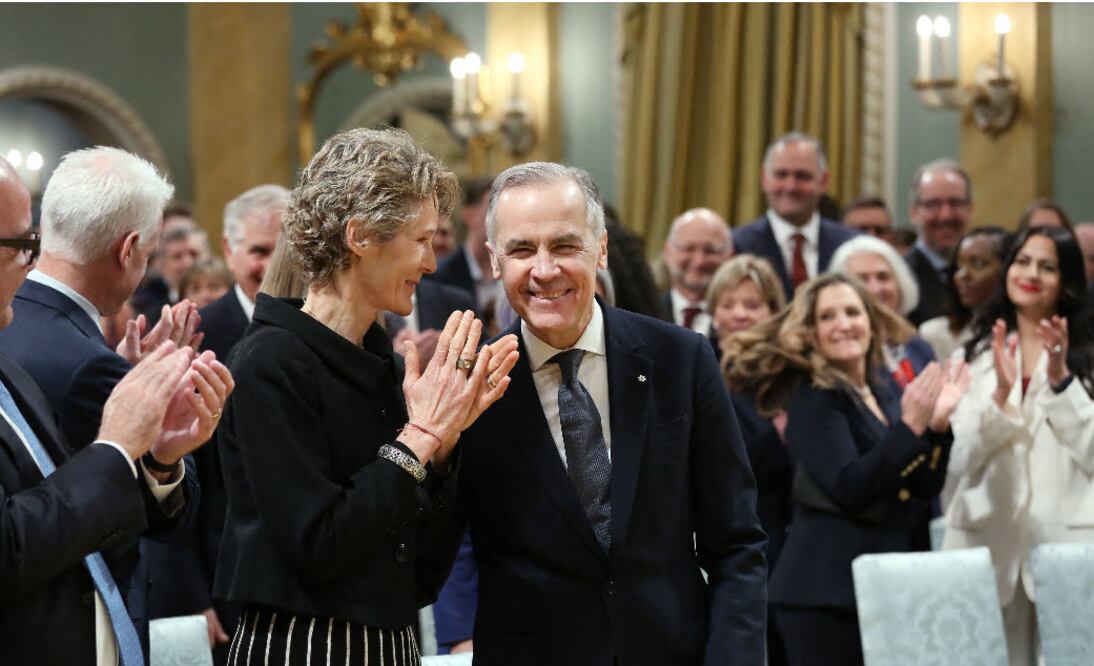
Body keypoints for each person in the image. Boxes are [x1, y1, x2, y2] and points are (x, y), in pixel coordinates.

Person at [216, 128, 519, 665]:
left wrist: (445, 445)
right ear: (359, 236)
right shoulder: (269, 361)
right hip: (300, 647)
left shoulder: (391, 371)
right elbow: (318, 545)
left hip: (392, 642)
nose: (431, 263)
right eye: (421, 240)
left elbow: (421, 567)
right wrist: (422, 436)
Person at [446, 162, 767, 664]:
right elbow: (436, 557)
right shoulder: (471, 387)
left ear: (601, 249)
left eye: (565, 246)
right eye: (522, 250)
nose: (544, 270)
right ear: (494, 260)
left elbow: (736, 544)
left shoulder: (681, 360)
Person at [0, 156, 233, 665]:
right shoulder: (85, 362)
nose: (29, 261)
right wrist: (119, 446)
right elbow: (15, 545)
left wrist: (158, 457)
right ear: (129, 250)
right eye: (21, 245)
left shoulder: (11, 353)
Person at [726, 273, 968, 666]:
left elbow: (919, 490)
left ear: (872, 323)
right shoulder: (815, 396)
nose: (843, 324)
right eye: (827, 316)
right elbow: (849, 485)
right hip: (825, 595)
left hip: (877, 582)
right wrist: (910, 427)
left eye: (853, 312)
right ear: (811, 333)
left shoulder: (882, 393)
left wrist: (937, 428)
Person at [943, 226, 1094, 666]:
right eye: (1022, 262)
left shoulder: (1088, 358)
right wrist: (998, 397)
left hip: (1066, 542)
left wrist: (1062, 384)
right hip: (986, 539)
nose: (1030, 274)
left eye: (1046, 267)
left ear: (1066, 281)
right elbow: (960, 457)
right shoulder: (972, 355)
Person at [706, 254, 791, 666]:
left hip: (786, 534)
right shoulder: (697, 367)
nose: (739, 314)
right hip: (723, 538)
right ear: (713, 313)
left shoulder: (790, 374)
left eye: (753, 304)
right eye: (728, 304)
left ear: (774, 311)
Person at [733, 132, 858, 300]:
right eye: (781, 175)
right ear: (764, 178)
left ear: (823, 181)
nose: (791, 186)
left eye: (802, 176)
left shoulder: (851, 246)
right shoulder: (737, 246)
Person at [829, 235, 936, 386]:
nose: (875, 289)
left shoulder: (918, 346)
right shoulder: (846, 354)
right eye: (862, 279)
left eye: (883, 277)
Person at [198, 184, 288, 361]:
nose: (273, 267)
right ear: (229, 251)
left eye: (285, 253)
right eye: (260, 251)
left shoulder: (325, 324)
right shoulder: (200, 333)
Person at [918, 227, 1012, 361]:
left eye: (978, 265)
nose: (961, 275)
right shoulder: (934, 334)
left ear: (1008, 269)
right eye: (958, 267)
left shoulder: (1026, 333)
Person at [905, 159, 973, 326]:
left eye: (955, 203)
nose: (946, 216)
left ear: (970, 209)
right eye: (933, 205)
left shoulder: (990, 276)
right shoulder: (901, 277)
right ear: (914, 212)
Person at [427, 176, 497, 312]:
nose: (501, 219)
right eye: (493, 211)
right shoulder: (436, 276)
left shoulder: (517, 272)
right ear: (469, 216)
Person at [659, 207, 734, 333]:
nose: (699, 261)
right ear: (667, 252)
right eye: (688, 248)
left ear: (730, 256)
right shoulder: (644, 313)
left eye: (710, 251)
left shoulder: (741, 321)